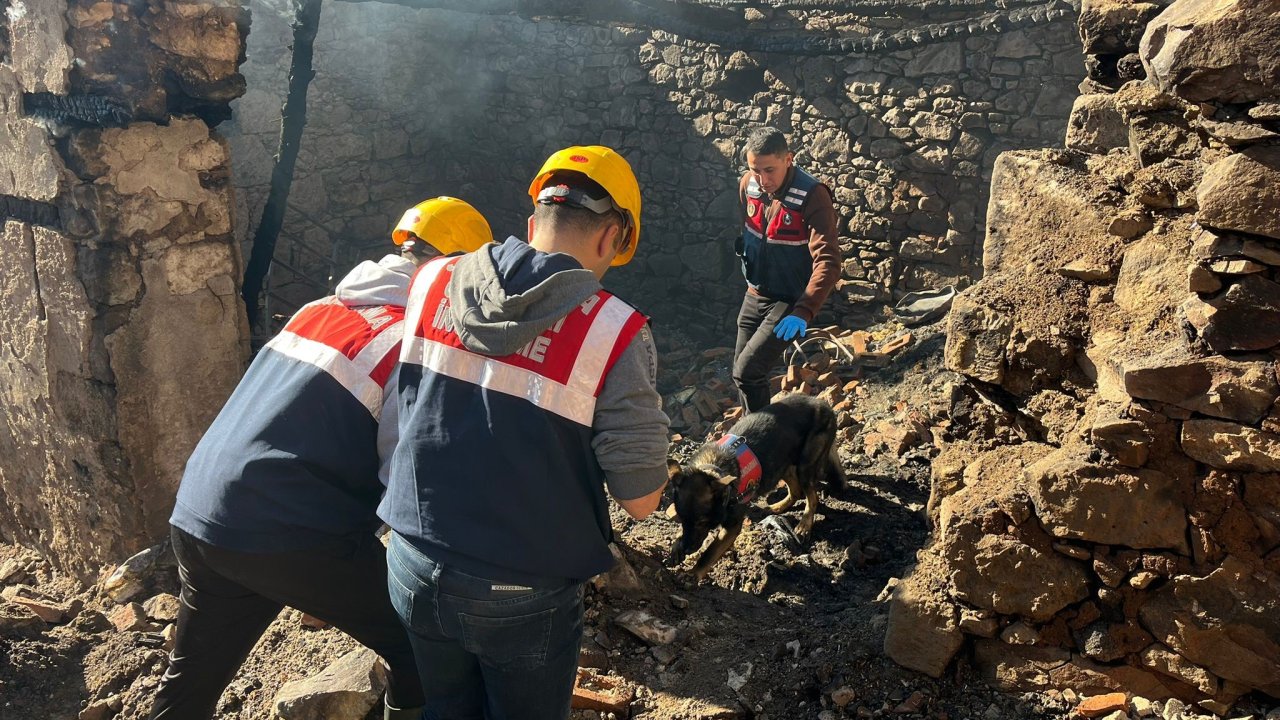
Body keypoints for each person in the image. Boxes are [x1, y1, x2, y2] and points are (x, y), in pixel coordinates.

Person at [151, 197, 493, 720]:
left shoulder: (321, 309)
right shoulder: (409, 342)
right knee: (422, 645)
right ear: (458, 274)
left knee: (192, 681)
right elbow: (408, 482)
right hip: (283, 529)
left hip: (202, 512)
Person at [380, 146, 669, 719]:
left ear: (533, 223)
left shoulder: (433, 278)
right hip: (521, 591)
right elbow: (641, 501)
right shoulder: (615, 329)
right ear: (612, 238)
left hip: (410, 561)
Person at [732, 126, 841, 412]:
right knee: (741, 376)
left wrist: (804, 310)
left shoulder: (812, 195)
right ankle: (750, 440)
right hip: (755, 295)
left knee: (748, 372)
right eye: (755, 170)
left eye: (770, 170)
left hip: (788, 303)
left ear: (788, 159)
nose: (762, 179)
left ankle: (759, 443)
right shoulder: (748, 186)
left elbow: (828, 261)